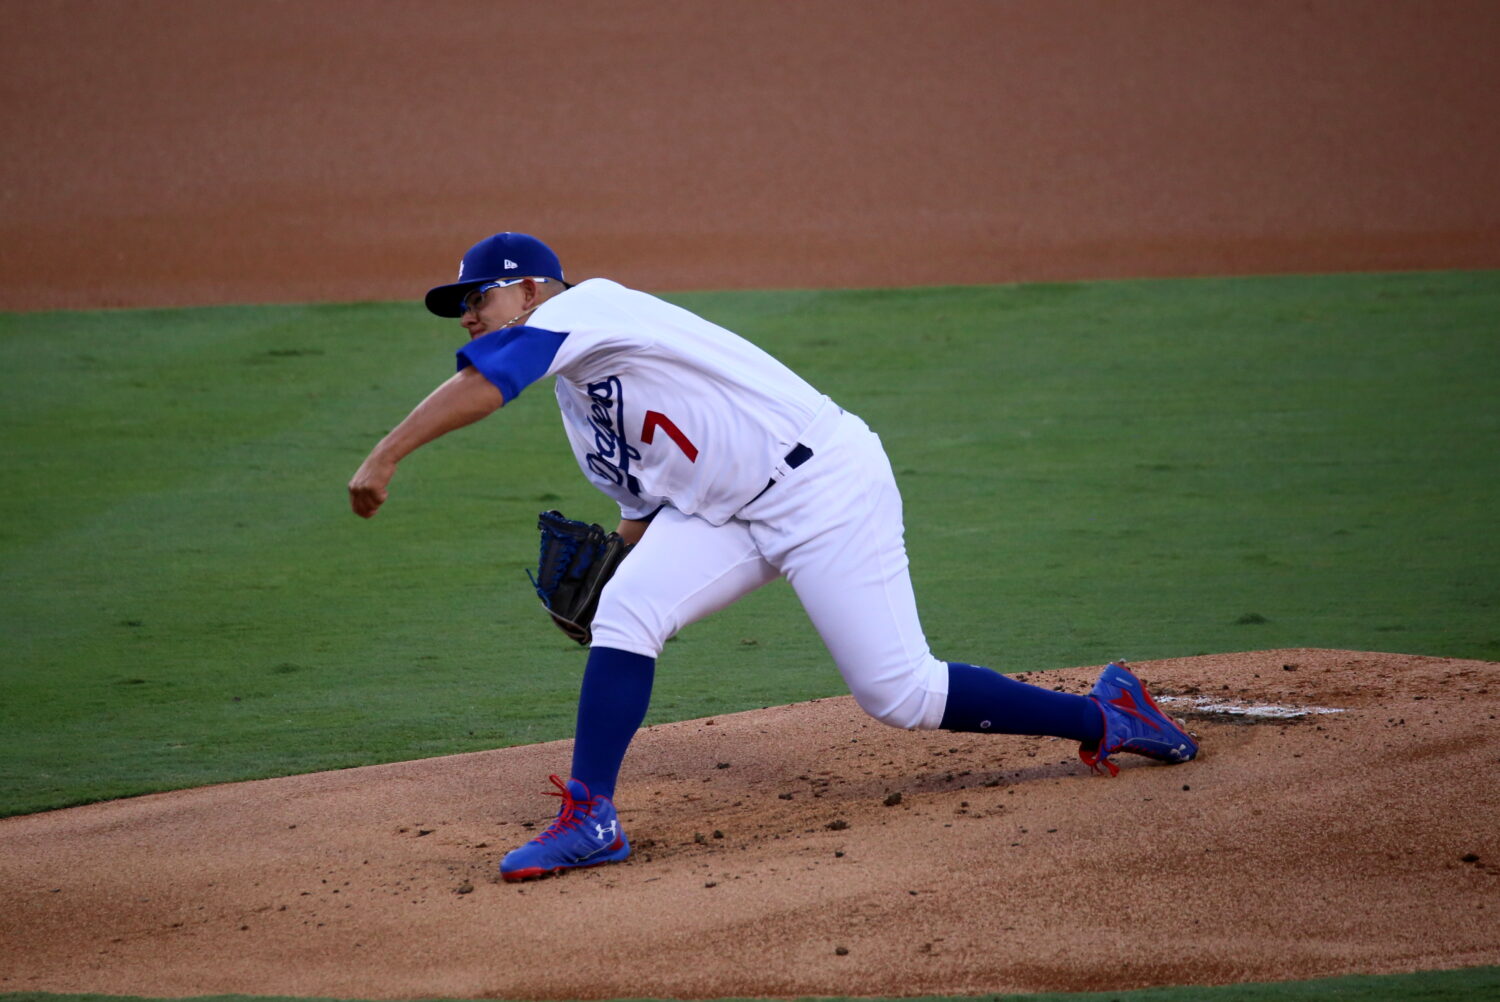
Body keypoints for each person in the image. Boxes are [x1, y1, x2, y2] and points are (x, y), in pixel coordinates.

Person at [348, 232, 1198, 882]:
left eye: (478, 298)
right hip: (728, 512)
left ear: (530, 289)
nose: (467, 315)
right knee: (628, 612)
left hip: (823, 486)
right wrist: (613, 573)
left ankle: (1110, 715)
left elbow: (492, 378)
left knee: (898, 693)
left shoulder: (583, 307)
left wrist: (385, 456)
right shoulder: (579, 405)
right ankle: (592, 819)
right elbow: (643, 509)